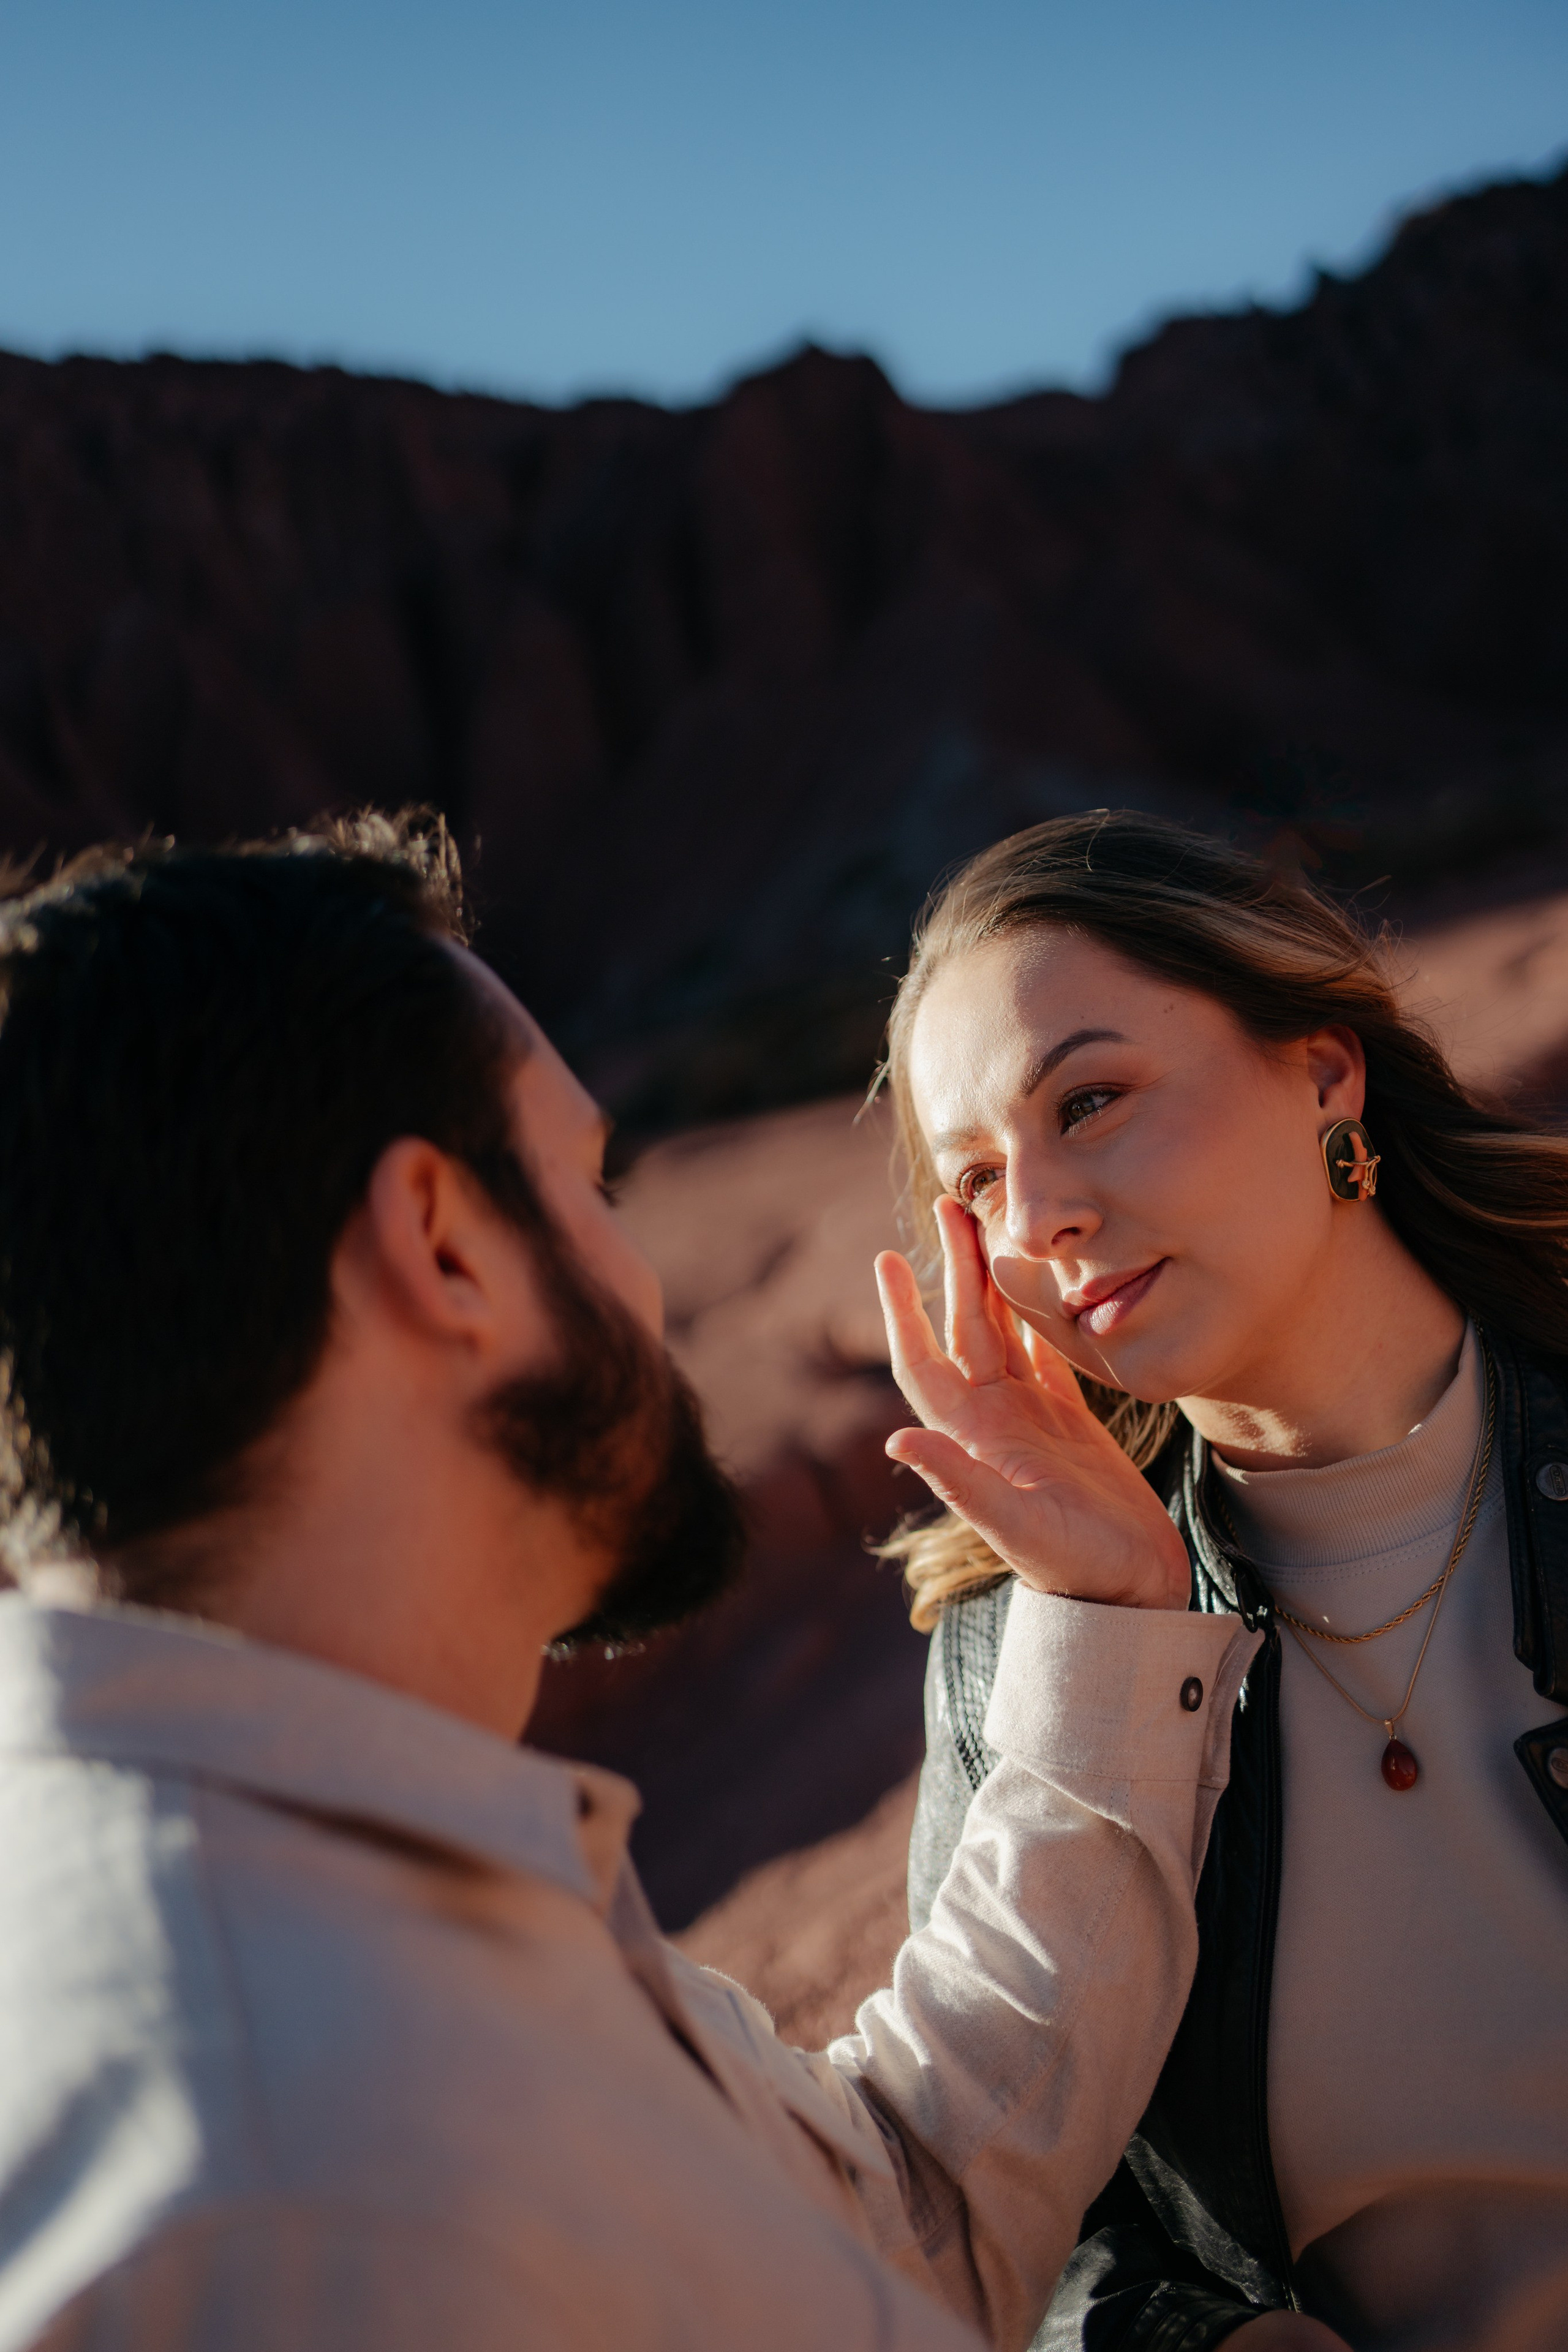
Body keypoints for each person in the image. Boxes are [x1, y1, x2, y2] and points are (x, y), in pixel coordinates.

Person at [0, 812, 1257, 2352]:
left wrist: (1107, 1632)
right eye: (592, 1182)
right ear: (443, 1249)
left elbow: (895, 2226)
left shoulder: (321, 1894)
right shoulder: (288, 2189)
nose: (640, 1266)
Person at [876, 810, 1568, 2352]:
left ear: (1323, 1071)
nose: (1038, 1216)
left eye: (1093, 1099)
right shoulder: (1024, 1653)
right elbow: (1034, 2221)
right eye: (976, 1180)